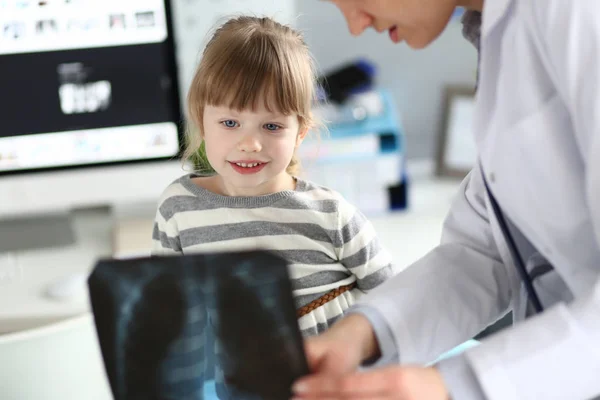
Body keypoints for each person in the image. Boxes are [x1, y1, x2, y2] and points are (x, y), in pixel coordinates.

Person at [292, 0, 600, 399]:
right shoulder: (499, 35)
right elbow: (486, 250)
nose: (355, 23)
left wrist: (453, 386)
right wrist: (361, 334)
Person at [152, 16, 395, 338]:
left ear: (300, 133)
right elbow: (167, 305)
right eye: (229, 123)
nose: (250, 144)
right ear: (201, 120)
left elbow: (393, 300)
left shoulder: (330, 215)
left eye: (272, 126)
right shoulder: (177, 208)